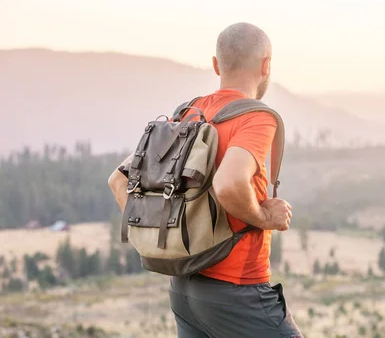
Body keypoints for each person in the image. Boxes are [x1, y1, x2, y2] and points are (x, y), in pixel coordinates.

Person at [108, 22, 303, 337]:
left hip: (185, 291)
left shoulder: (186, 115)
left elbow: (118, 181)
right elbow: (228, 184)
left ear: (216, 65)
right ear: (266, 66)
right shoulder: (255, 117)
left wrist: (162, 240)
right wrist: (264, 216)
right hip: (238, 290)